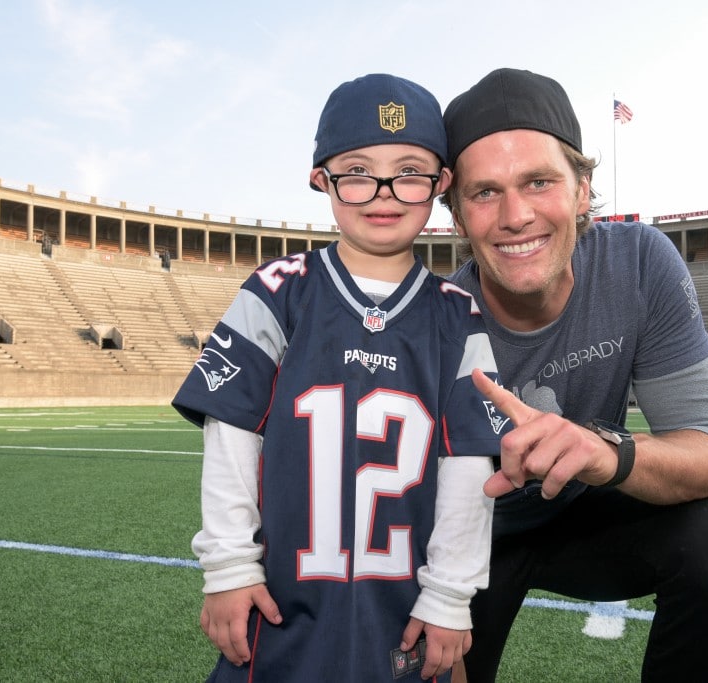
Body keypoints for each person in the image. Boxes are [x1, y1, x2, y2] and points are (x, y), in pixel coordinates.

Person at [172, 73, 510, 682]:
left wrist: (449, 595)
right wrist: (229, 566)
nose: (384, 193)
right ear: (320, 179)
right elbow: (231, 434)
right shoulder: (277, 292)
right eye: (357, 171)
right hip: (281, 603)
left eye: (409, 172)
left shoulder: (459, 317)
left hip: (405, 608)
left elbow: (467, 469)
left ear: (441, 184)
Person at [438, 68, 708, 682]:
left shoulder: (638, 262)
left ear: (582, 190)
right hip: (472, 537)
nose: (516, 215)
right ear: (457, 216)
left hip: (587, 510)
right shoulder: (435, 323)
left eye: (539, 182)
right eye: (484, 192)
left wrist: (604, 451)